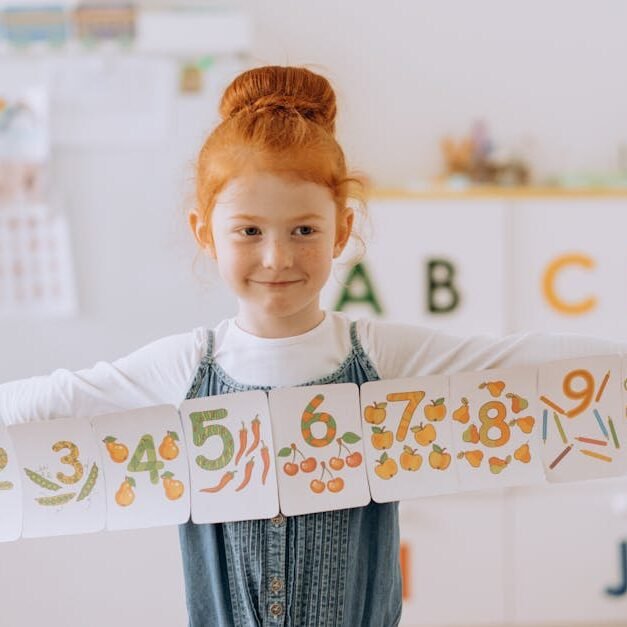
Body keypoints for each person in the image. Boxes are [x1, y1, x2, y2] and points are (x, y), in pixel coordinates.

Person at [0, 65, 625, 627]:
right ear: (205, 232)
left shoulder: (379, 356)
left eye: (304, 229)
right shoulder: (186, 367)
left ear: (342, 229)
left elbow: (521, 361)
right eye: (248, 231)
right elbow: (62, 398)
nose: (277, 257)